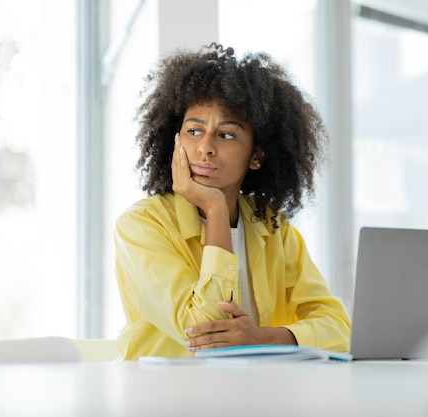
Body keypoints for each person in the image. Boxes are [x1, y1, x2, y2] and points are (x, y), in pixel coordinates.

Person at [114, 43, 351, 360]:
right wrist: (214, 209)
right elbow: (204, 331)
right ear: (175, 140)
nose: (205, 148)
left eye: (225, 135)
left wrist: (264, 337)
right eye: (194, 131)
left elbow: (340, 329)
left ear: (257, 156)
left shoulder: (273, 227)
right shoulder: (141, 226)